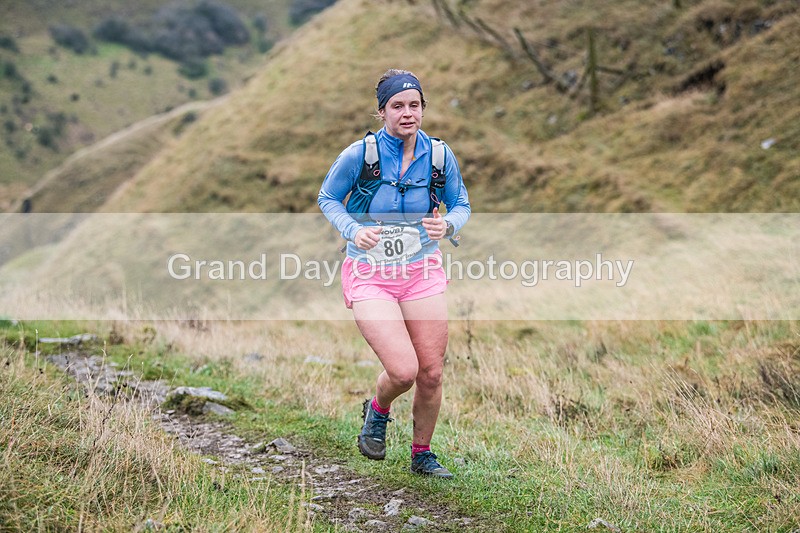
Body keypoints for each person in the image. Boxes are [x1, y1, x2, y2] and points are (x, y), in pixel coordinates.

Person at [318, 69, 470, 478]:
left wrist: (448, 225)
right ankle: (378, 409)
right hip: (371, 273)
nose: (407, 113)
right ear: (382, 111)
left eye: (414, 105)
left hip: (421, 271)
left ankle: (422, 454)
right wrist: (353, 230)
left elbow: (461, 204)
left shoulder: (439, 156)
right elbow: (328, 197)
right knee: (403, 370)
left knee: (431, 373)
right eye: (397, 106)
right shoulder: (360, 155)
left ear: (423, 109)